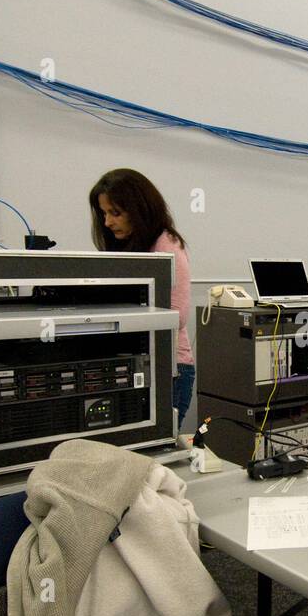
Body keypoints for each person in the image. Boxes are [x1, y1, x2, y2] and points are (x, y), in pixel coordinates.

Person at [89, 168, 194, 429]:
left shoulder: (166, 245)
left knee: (158, 451)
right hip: (139, 364)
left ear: (140, 209)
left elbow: (177, 316)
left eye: (115, 213)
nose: (107, 223)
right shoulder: (132, 247)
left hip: (171, 369)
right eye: (104, 213)